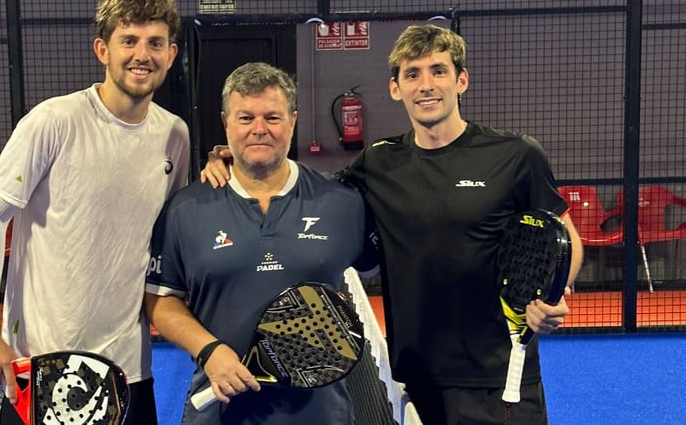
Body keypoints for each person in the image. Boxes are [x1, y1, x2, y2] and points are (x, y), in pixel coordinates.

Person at [201, 24, 584, 425]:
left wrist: (553, 293)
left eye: (438, 71)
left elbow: (565, 239)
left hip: (498, 377)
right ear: (395, 88)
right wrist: (241, 157)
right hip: (416, 377)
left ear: (461, 81)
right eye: (412, 74)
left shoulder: (516, 155)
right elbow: (308, 191)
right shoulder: (378, 162)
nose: (426, 85)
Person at [0, 0, 189, 425]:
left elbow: (173, 233)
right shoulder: (53, 121)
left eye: (155, 43)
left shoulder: (175, 135)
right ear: (103, 50)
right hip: (41, 360)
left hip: (129, 370)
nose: (142, 55)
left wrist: (225, 167)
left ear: (171, 54)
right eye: (129, 41)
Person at [144, 62, 380, 424]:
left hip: (322, 415)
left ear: (293, 121)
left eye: (272, 117)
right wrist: (209, 351)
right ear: (226, 123)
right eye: (245, 118)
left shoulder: (342, 202)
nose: (259, 129)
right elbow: (161, 301)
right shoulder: (184, 209)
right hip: (220, 414)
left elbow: (384, 267)